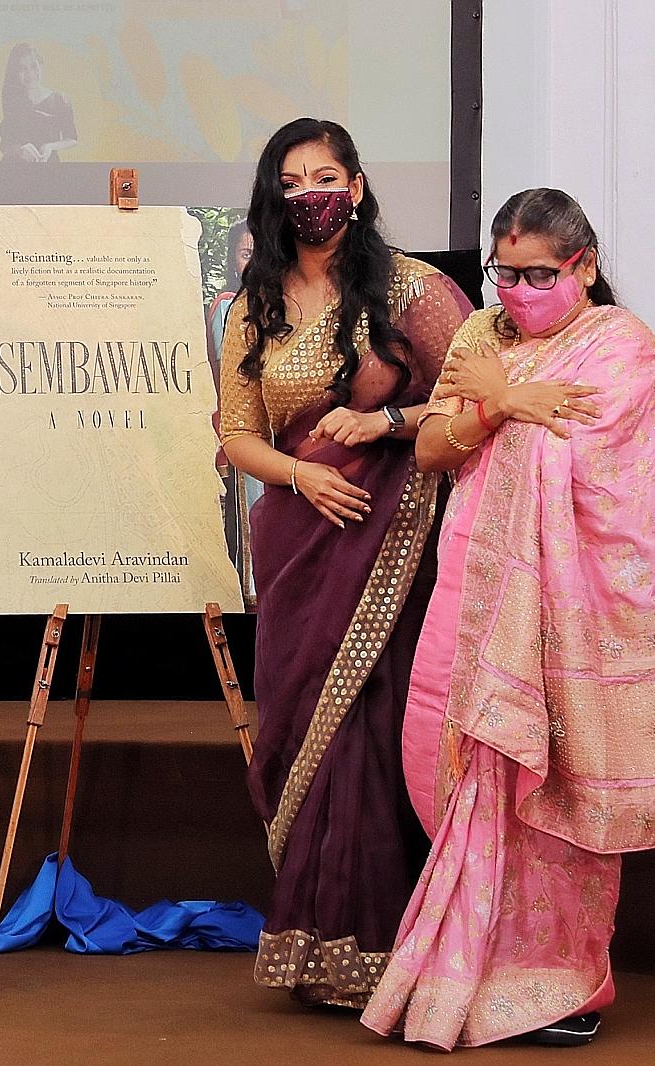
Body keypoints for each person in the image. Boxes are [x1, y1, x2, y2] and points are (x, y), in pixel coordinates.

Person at [361, 188, 655, 1051]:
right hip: (477, 588)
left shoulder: (620, 345)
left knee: (557, 787)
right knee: (442, 763)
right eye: (504, 275)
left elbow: (591, 462)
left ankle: (567, 978)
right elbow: (430, 448)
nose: (517, 293)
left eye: (538, 275)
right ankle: (470, 964)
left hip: (574, 617)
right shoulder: (483, 339)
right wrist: (503, 402)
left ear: (585, 267)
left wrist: (507, 409)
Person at [217, 118, 473, 1009]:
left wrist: (386, 427)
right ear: (272, 196)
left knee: (373, 727)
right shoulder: (254, 304)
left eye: (324, 177)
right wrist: (302, 481)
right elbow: (236, 436)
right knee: (304, 732)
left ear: (357, 186)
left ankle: (396, 942)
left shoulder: (417, 291)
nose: (310, 195)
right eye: (291, 182)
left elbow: (473, 405)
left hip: (396, 547)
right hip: (298, 547)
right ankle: (320, 944)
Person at [205, 220, 260, 588]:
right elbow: (236, 369)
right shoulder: (228, 305)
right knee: (252, 519)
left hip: (281, 431)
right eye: (245, 254)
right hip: (245, 428)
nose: (254, 261)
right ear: (232, 261)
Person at [0, 43, 77, 162]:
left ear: (41, 64)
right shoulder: (12, 100)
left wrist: (49, 146)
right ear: (15, 72)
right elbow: (5, 146)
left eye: (33, 66)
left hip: (48, 167)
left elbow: (72, 138)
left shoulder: (59, 100)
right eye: (22, 68)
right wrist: (20, 150)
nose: (29, 73)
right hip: (13, 169)